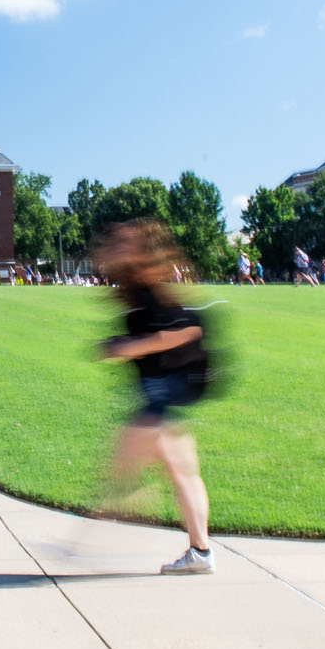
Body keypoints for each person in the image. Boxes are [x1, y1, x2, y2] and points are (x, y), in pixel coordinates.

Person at [95, 220, 217, 575]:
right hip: (161, 387)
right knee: (183, 473)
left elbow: (186, 331)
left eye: (124, 243)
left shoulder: (154, 286)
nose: (116, 247)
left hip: (167, 389)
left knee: (123, 465)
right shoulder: (135, 287)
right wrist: (121, 345)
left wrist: (130, 347)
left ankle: (87, 543)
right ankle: (200, 552)